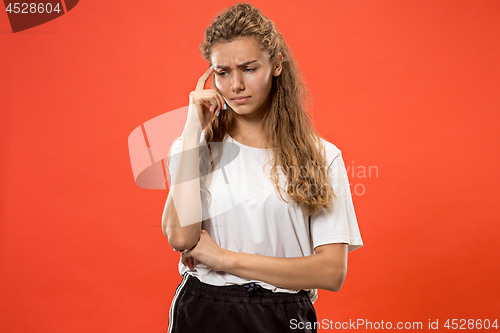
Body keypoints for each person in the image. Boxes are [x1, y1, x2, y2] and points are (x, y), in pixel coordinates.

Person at [161, 3, 363, 333]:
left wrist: (226, 259)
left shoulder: (321, 156)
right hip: (203, 311)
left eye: (249, 68)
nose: (236, 85)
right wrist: (190, 131)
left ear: (276, 65)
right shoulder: (195, 148)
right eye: (223, 72)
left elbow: (330, 272)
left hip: (282, 315)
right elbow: (181, 237)